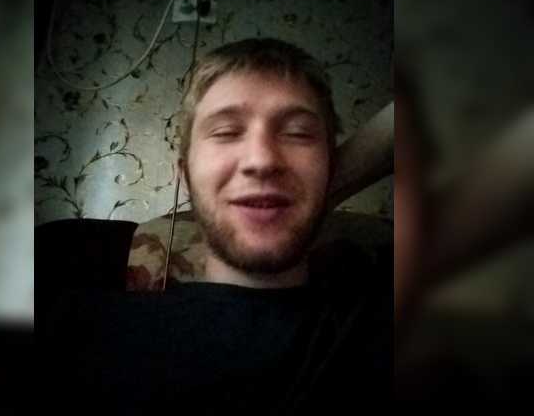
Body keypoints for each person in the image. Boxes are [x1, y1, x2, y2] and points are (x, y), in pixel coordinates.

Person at [41, 38, 395, 413]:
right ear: (185, 175)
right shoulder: (72, 328)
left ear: (332, 167)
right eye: (225, 132)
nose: (261, 160)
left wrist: (320, 187)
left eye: (298, 133)